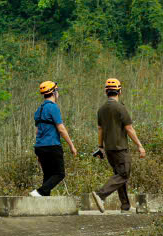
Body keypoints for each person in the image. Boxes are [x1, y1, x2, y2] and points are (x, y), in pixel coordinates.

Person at [89, 77, 147, 213]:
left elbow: (100, 129)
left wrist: (100, 147)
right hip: (120, 148)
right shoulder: (120, 108)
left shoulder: (101, 109)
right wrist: (140, 146)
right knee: (124, 174)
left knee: (119, 176)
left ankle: (125, 206)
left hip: (108, 149)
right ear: (119, 91)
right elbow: (129, 129)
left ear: (106, 92)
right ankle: (100, 195)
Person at [30, 80, 79, 196]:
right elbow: (61, 129)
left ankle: (43, 202)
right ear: (54, 92)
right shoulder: (53, 107)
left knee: (48, 175)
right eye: (58, 91)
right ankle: (39, 192)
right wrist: (71, 146)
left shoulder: (39, 110)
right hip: (52, 146)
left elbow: (38, 131)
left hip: (40, 147)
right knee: (59, 174)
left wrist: (39, 152)